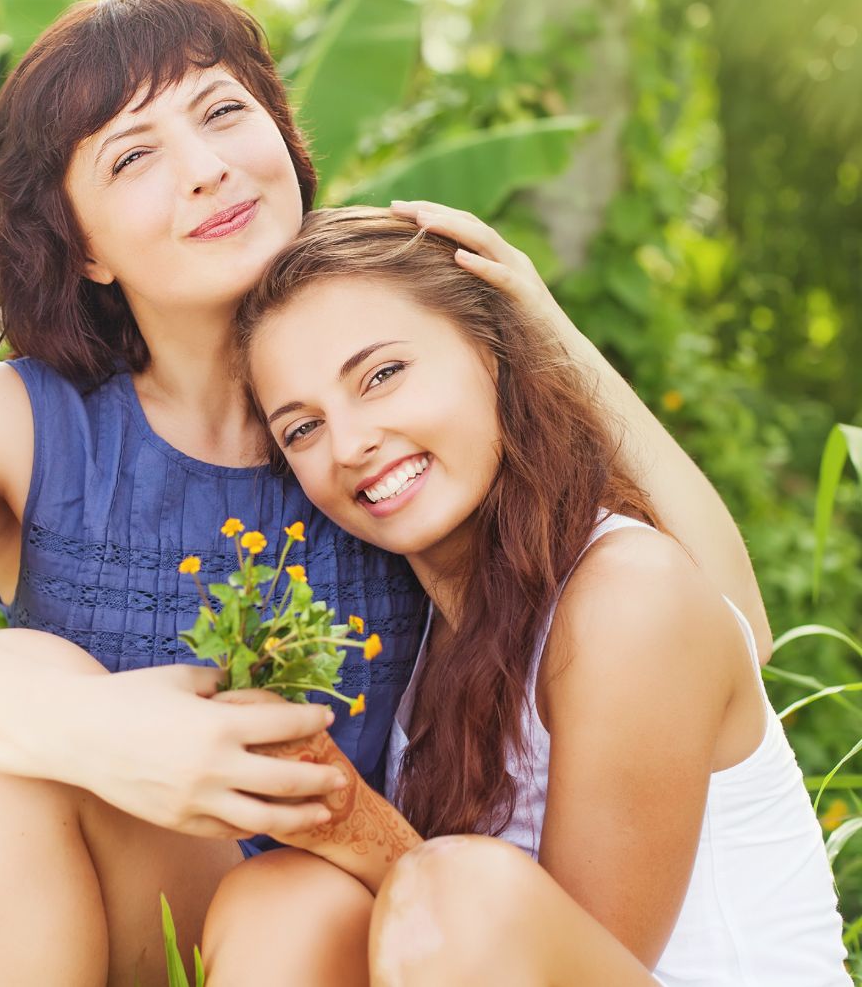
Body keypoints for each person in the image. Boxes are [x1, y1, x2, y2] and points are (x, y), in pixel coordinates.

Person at [0, 0, 765, 987]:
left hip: (313, 915)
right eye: (131, 157)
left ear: (285, 139)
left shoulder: (388, 431)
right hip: (43, 889)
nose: (204, 166)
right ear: (84, 246)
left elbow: (717, 628)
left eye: (224, 113)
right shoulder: (33, 420)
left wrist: (536, 325)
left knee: (56, 755)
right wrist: (88, 727)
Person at [225, 205, 848, 985]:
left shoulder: (629, 594)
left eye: (382, 375)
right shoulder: (426, 629)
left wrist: (353, 825)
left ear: (491, 350)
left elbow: (534, 946)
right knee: (279, 900)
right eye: (303, 429)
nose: (350, 446)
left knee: (453, 886)